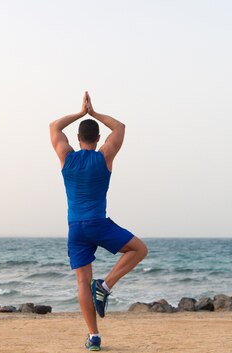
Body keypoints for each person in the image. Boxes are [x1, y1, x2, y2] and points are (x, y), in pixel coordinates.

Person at [49, 91, 148, 351]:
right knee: (139, 249)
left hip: (75, 229)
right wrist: (93, 113)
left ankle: (93, 337)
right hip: (98, 223)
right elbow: (120, 127)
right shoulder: (104, 156)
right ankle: (105, 285)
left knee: (82, 283)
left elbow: (54, 127)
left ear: (78, 138)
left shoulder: (66, 157)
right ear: (98, 138)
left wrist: (80, 113)